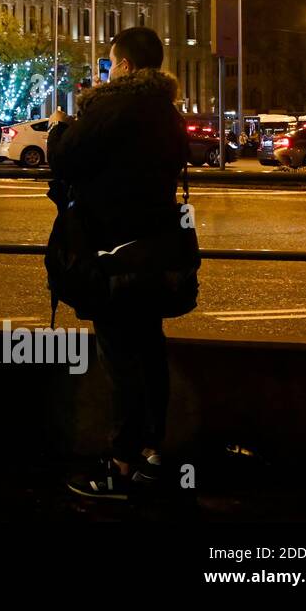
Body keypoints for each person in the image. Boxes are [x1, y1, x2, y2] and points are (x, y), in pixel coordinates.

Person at [46, 26, 189, 500]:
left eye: (110, 62)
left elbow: (66, 159)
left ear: (125, 65)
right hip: (157, 251)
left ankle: (120, 468)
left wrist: (60, 127)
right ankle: (152, 454)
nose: (107, 70)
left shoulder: (111, 106)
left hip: (112, 255)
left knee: (122, 358)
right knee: (150, 351)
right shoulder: (168, 113)